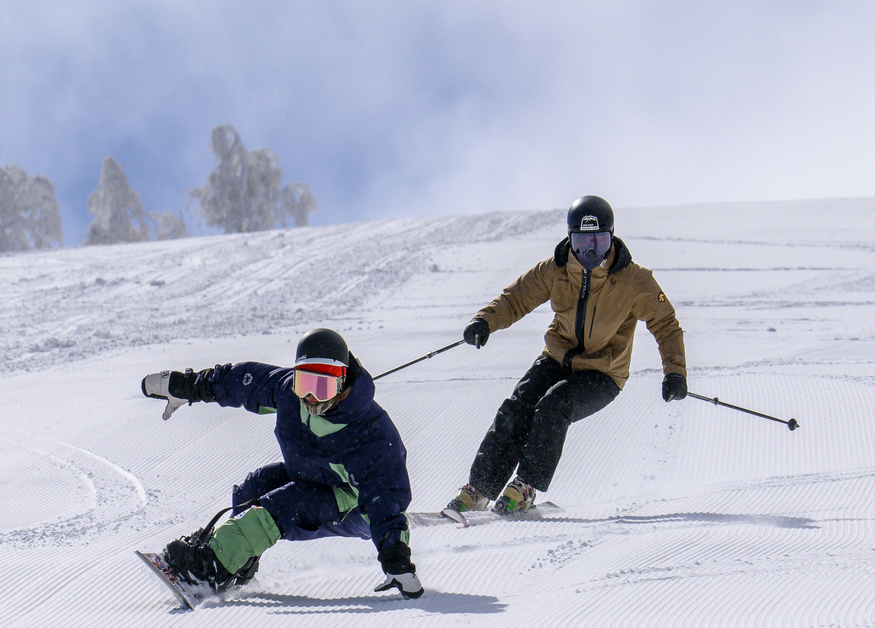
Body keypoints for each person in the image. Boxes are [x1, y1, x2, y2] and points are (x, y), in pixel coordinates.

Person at [447, 195, 687, 516]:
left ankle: (526, 487)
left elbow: (665, 324)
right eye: (583, 241)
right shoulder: (555, 270)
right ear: (570, 239)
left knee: (553, 406)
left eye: (599, 242)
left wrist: (675, 373)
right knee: (517, 407)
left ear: (611, 238)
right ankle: (479, 490)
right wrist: (485, 321)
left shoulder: (634, 280)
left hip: (603, 373)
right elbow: (516, 299)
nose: (590, 251)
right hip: (556, 358)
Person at [141, 327, 422, 599]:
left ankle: (212, 567)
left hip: (356, 503)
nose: (311, 397)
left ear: (343, 382)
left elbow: (384, 497)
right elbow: (240, 381)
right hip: (316, 476)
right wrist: (187, 386)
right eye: (305, 383)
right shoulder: (290, 393)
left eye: (322, 387)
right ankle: (234, 563)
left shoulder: (370, 432)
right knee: (253, 489)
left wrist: (395, 556)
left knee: (280, 508)